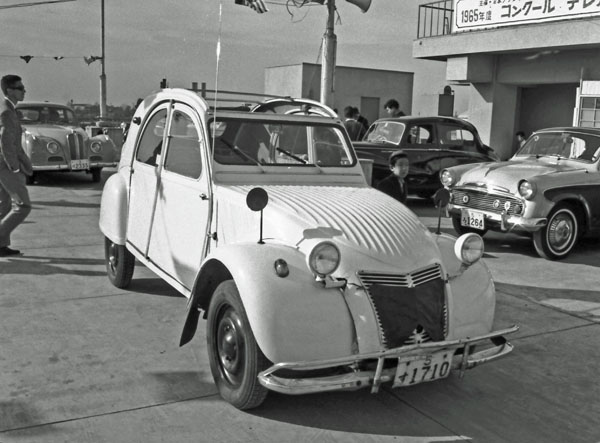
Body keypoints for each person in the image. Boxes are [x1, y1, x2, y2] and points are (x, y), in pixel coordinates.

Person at [0, 75, 33, 257]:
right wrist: (14, 167)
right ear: (9, 91)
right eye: (20, 88)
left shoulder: (8, 109)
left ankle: (1, 246)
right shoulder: (6, 111)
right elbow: (6, 143)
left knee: (3, 206)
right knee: (23, 205)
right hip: (5, 165)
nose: (24, 91)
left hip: (3, 164)